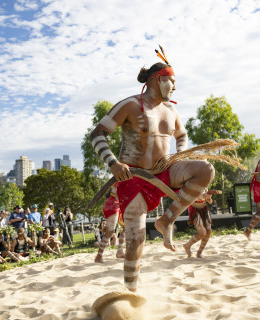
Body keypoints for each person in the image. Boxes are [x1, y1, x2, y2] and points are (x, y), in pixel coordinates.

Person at [89, 56, 215, 291]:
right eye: (171, 81)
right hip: (133, 176)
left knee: (205, 169)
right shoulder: (130, 105)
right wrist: (113, 163)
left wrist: (180, 154)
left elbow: (181, 135)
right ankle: (131, 291)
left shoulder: (171, 110)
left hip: (164, 171)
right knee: (136, 239)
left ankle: (166, 219)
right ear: (157, 80)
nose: (174, 86)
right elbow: (97, 134)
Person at [94, 188, 125, 263]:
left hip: (117, 204)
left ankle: (120, 251)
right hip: (112, 204)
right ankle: (99, 256)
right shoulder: (118, 180)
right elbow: (114, 190)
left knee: (127, 227)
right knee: (110, 231)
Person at [183, 190, 217, 258]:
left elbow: (210, 202)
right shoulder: (193, 183)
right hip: (194, 208)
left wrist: (209, 198)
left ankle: (199, 252)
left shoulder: (205, 184)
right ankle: (187, 246)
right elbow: (192, 197)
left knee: (209, 230)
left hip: (204, 208)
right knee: (202, 233)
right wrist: (203, 196)